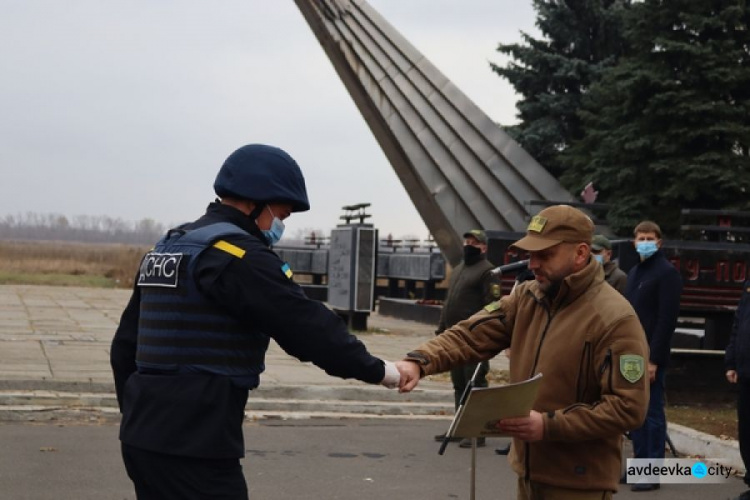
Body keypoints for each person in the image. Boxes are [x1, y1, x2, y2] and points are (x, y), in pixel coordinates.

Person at [110, 144, 401, 500]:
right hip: (195, 445)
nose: (282, 223)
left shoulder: (169, 248)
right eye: (282, 212)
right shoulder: (238, 257)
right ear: (257, 201)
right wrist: (382, 371)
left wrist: (138, 417)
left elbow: (125, 347)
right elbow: (306, 327)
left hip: (143, 437)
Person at [396, 204, 649, 499]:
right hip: (528, 475)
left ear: (580, 254)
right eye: (530, 254)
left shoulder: (615, 318)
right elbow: (470, 334)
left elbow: (628, 408)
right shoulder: (528, 298)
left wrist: (548, 425)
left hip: (580, 485)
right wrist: (419, 361)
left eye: (545, 255)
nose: (533, 264)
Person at [624, 220, 683, 492]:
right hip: (630, 354)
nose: (644, 241)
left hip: (650, 355)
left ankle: (652, 470)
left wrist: (654, 359)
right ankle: (638, 465)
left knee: (652, 413)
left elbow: (665, 320)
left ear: (659, 242)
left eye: (649, 237)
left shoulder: (666, 273)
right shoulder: (635, 272)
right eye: (640, 237)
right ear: (634, 242)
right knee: (634, 412)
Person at [434, 229, 502, 448]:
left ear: (483, 247)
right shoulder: (459, 269)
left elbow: (492, 305)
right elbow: (449, 301)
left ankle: (477, 432)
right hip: (454, 336)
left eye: (475, 242)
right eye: (467, 241)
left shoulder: (488, 271)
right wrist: (442, 328)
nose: (469, 245)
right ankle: (458, 427)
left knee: (475, 385)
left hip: (475, 339)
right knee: (459, 384)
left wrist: (486, 334)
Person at [725, 280, 750, 500]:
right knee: (747, 433)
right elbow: (738, 324)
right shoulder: (748, 286)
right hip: (745, 372)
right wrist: (731, 362)